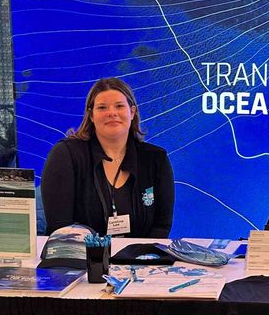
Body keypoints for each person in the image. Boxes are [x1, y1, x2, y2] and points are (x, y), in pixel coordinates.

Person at [41, 77, 174, 238]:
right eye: (102, 107)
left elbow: (162, 225)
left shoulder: (156, 159)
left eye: (119, 106)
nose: (112, 113)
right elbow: (60, 227)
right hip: (81, 253)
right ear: (91, 115)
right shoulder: (66, 154)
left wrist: (140, 253)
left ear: (132, 112)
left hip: (141, 253)